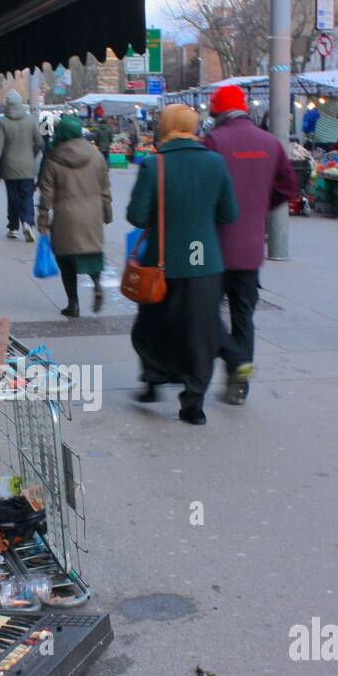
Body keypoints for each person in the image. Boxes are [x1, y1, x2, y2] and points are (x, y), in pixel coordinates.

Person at [126, 103, 239, 426]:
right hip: (204, 263)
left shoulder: (154, 165)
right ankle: (193, 401)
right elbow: (229, 214)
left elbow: (136, 216)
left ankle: (153, 379)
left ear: (164, 126)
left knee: (151, 326)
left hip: (160, 265)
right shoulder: (216, 163)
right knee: (200, 333)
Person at [201, 84, 298, 404]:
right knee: (244, 315)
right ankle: (238, 387)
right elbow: (289, 186)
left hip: (216, 247)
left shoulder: (214, 141)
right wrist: (262, 206)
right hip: (251, 246)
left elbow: (206, 188)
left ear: (218, 112)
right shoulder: (270, 142)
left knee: (205, 312)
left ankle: (230, 361)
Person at [36, 115, 112, 317]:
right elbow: (105, 188)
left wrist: (42, 220)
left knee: (66, 260)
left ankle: (73, 304)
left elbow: (46, 194)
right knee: (92, 254)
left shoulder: (53, 158)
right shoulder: (96, 156)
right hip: (92, 215)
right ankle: (96, 284)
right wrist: (107, 213)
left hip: (65, 217)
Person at [0, 90, 43, 241]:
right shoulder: (30, 120)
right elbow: (39, 142)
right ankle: (28, 222)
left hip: (9, 168)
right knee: (27, 196)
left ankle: (13, 227)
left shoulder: (3, 122)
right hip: (27, 167)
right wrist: (32, 155)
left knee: (12, 198)